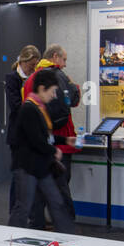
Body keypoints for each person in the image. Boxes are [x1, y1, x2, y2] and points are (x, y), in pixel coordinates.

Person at [9, 68, 76, 233]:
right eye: (53, 91)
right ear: (41, 89)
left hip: (40, 165)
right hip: (27, 167)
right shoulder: (29, 109)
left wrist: (64, 140)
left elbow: (45, 135)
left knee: (56, 201)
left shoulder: (39, 108)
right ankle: (9, 238)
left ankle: (66, 236)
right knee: (24, 206)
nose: (54, 96)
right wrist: (53, 151)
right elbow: (36, 139)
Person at [22, 44, 80, 229]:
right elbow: (73, 100)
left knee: (39, 190)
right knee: (61, 187)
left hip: (39, 143)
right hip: (59, 141)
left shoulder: (30, 78)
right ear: (55, 57)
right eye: (64, 60)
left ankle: (37, 227)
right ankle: (66, 226)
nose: (64, 64)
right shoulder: (58, 75)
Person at [4, 46, 40, 212]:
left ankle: (31, 213)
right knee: (18, 175)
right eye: (31, 65)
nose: (33, 68)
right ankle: (15, 211)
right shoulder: (12, 78)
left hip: (32, 133)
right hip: (18, 135)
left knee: (32, 175)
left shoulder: (35, 78)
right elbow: (15, 105)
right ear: (23, 61)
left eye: (35, 65)